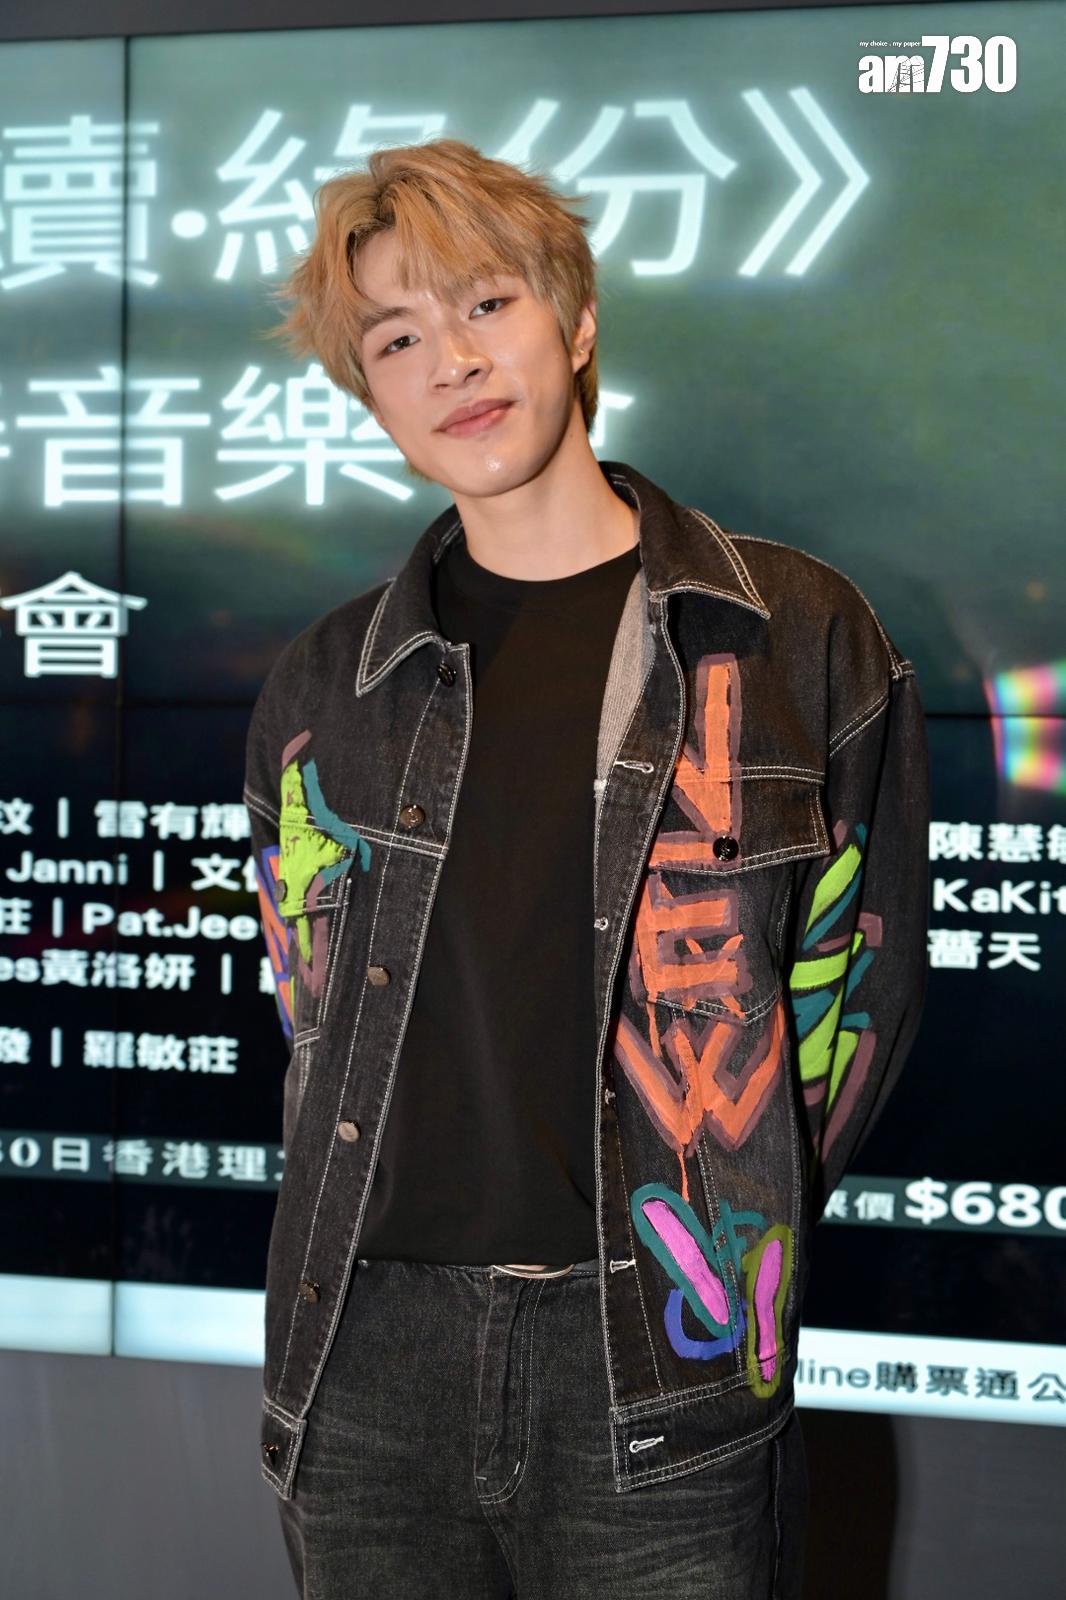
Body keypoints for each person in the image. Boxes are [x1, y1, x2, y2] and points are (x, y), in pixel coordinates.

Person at [243, 137, 930, 1598]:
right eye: (396, 338)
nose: (452, 362)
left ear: (576, 318)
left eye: (486, 304)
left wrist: (726, 1214)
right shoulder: (325, 686)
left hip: (662, 1358)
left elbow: (851, 1002)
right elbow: (310, 1011)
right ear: (368, 393)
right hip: (365, 1360)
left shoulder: (788, 634)